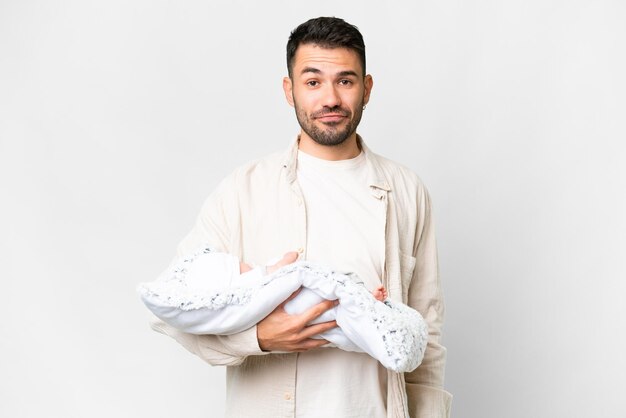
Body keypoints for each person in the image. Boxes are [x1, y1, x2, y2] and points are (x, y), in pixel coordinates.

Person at [149, 16, 451, 417]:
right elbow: (176, 309)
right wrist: (258, 337)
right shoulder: (242, 189)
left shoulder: (406, 191)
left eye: (345, 81)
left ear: (367, 88)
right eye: (313, 82)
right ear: (289, 90)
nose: (330, 98)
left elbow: (425, 335)